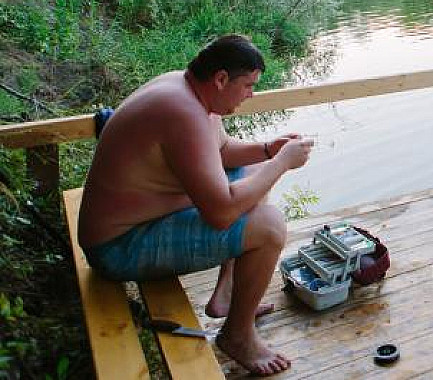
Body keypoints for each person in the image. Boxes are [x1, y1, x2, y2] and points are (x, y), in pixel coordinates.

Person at [78, 34, 313, 376]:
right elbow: (221, 214)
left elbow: (220, 151)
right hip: (118, 246)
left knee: (254, 171)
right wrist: (283, 163)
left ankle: (227, 295)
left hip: (141, 218)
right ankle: (237, 337)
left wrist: (268, 150)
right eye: (248, 86)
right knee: (270, 228)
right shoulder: (181, 112)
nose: (251, 95)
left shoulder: (187, 90)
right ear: (221, 79)